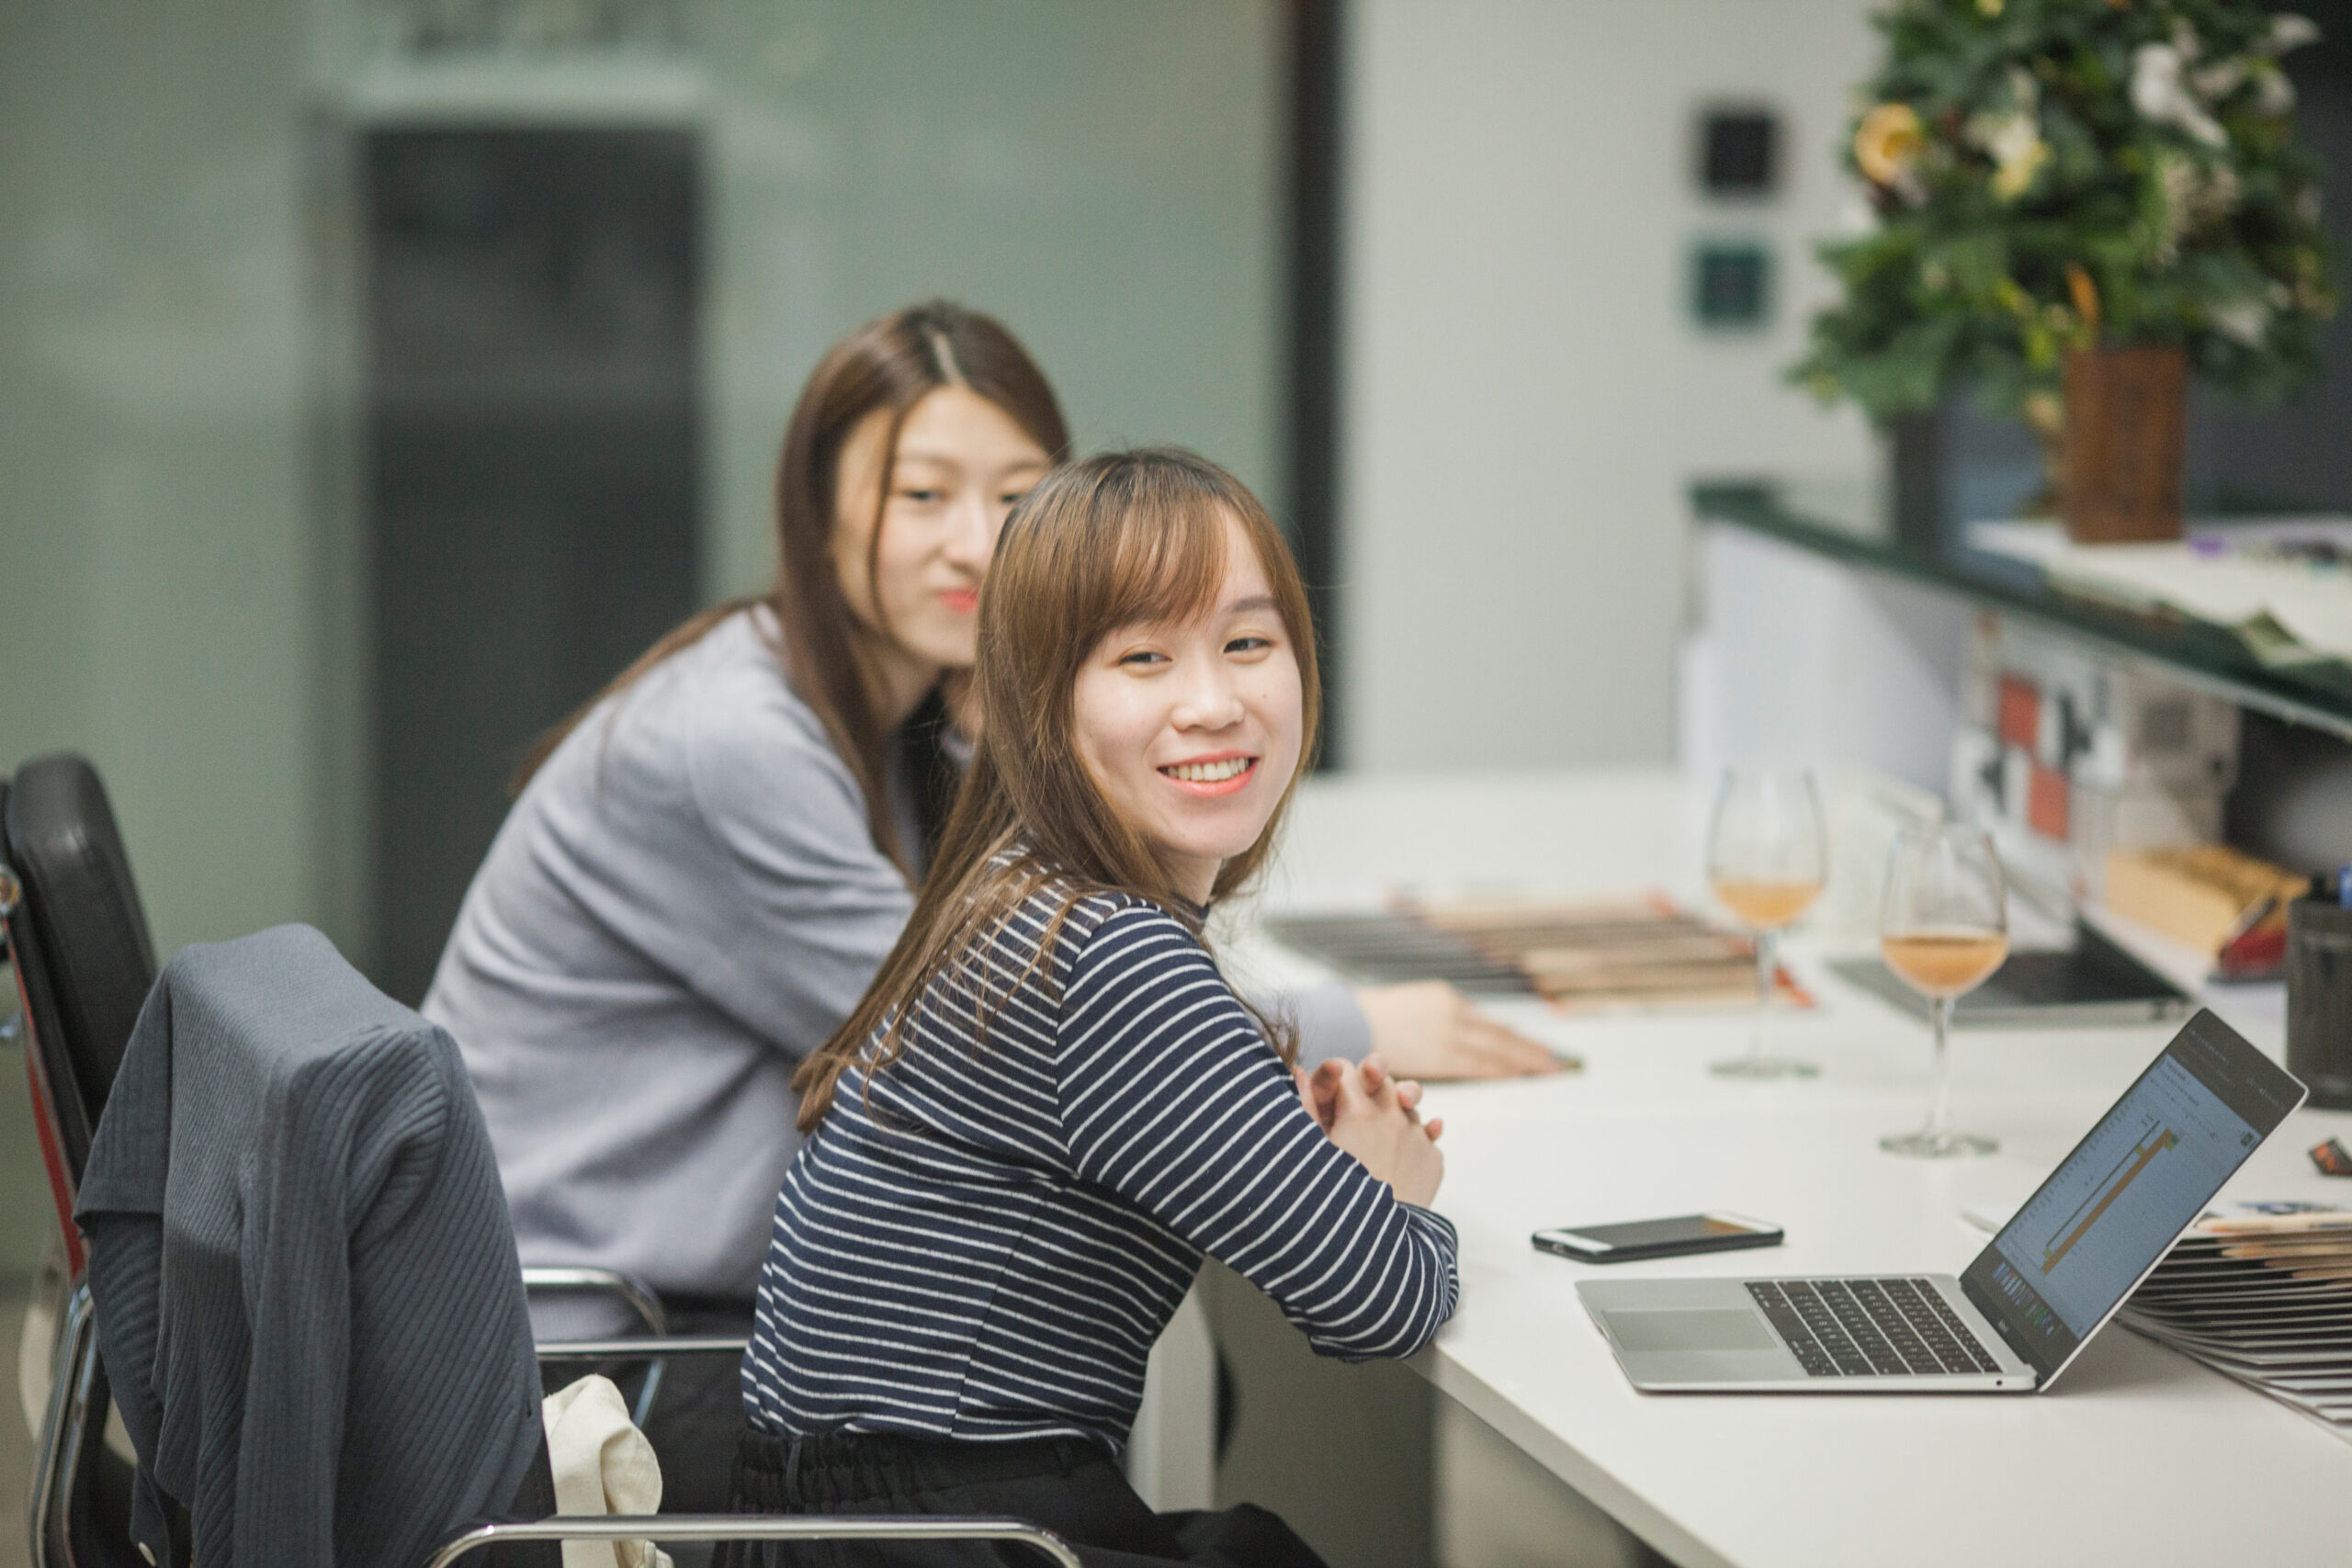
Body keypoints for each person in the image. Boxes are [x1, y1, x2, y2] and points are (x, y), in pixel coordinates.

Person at [421, 303, 1541, 1506]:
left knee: (1189, 1391)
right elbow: (1079, 1042)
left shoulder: (939, 775)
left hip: (808, 1399)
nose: (977, 542)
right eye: (922, 496)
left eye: (1017, 497)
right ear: (818, 509)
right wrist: (1389, 1171)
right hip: (600, 1341)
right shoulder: (735, 740)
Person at [725, 449, 1455, 1568]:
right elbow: (1378, 1299)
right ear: (1037, 702)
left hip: (857, 1523)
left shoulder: (1020, 892)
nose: (1211, 703)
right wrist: (1395, 1191)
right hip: (932, 1538)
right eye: (1143, 658)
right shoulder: (1105, 954)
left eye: (1248, 644)